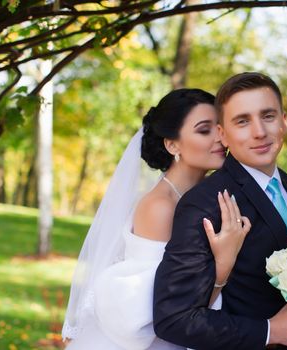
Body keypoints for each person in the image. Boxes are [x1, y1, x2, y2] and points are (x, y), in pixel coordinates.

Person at [62, 88, 251, 349]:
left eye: (220, 128)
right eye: (204, 130)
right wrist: (223, 263)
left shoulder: (213, 195)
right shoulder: (160, 207)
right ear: (172, 144)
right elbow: (168, 306)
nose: (219, 139)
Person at [153, 72, 287, 350]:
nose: (259, 131)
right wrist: (269, 331)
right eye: (242, 121)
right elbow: (174, 319)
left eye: (268, 116)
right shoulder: (205, 204)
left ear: (284, 122)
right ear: (223, 134)